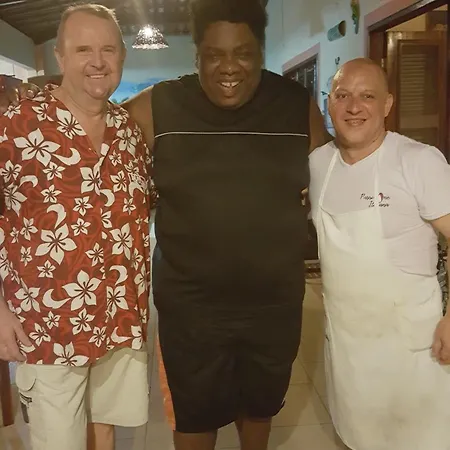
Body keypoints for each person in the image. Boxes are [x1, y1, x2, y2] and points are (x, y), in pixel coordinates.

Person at [1, 1, 330, 448]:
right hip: (146, 314)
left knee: (255, 406)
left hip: (159, 315)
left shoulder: (293, 105)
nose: (228, 67)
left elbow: (334, 173)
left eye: (243, 53)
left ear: (261, 52)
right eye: (214, 54)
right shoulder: (151, 107)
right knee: (187, 415)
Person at [0, 5, 152, 450]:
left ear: (122, 56)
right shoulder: (17, 126)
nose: (97, 62)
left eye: (108, 49)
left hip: (121, 317)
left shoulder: (128, 132)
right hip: (47, 325)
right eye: (83, 49)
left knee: (107, 428)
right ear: (60, 57)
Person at [309, 58, 450, 450]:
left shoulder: (418, 161)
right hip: (348, 347)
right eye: (342, 96)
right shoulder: (318, 164)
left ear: (387, 104)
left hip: (412, 349)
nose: (354, 107)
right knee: (357, 438)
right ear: (329, 103)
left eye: (367, 96)